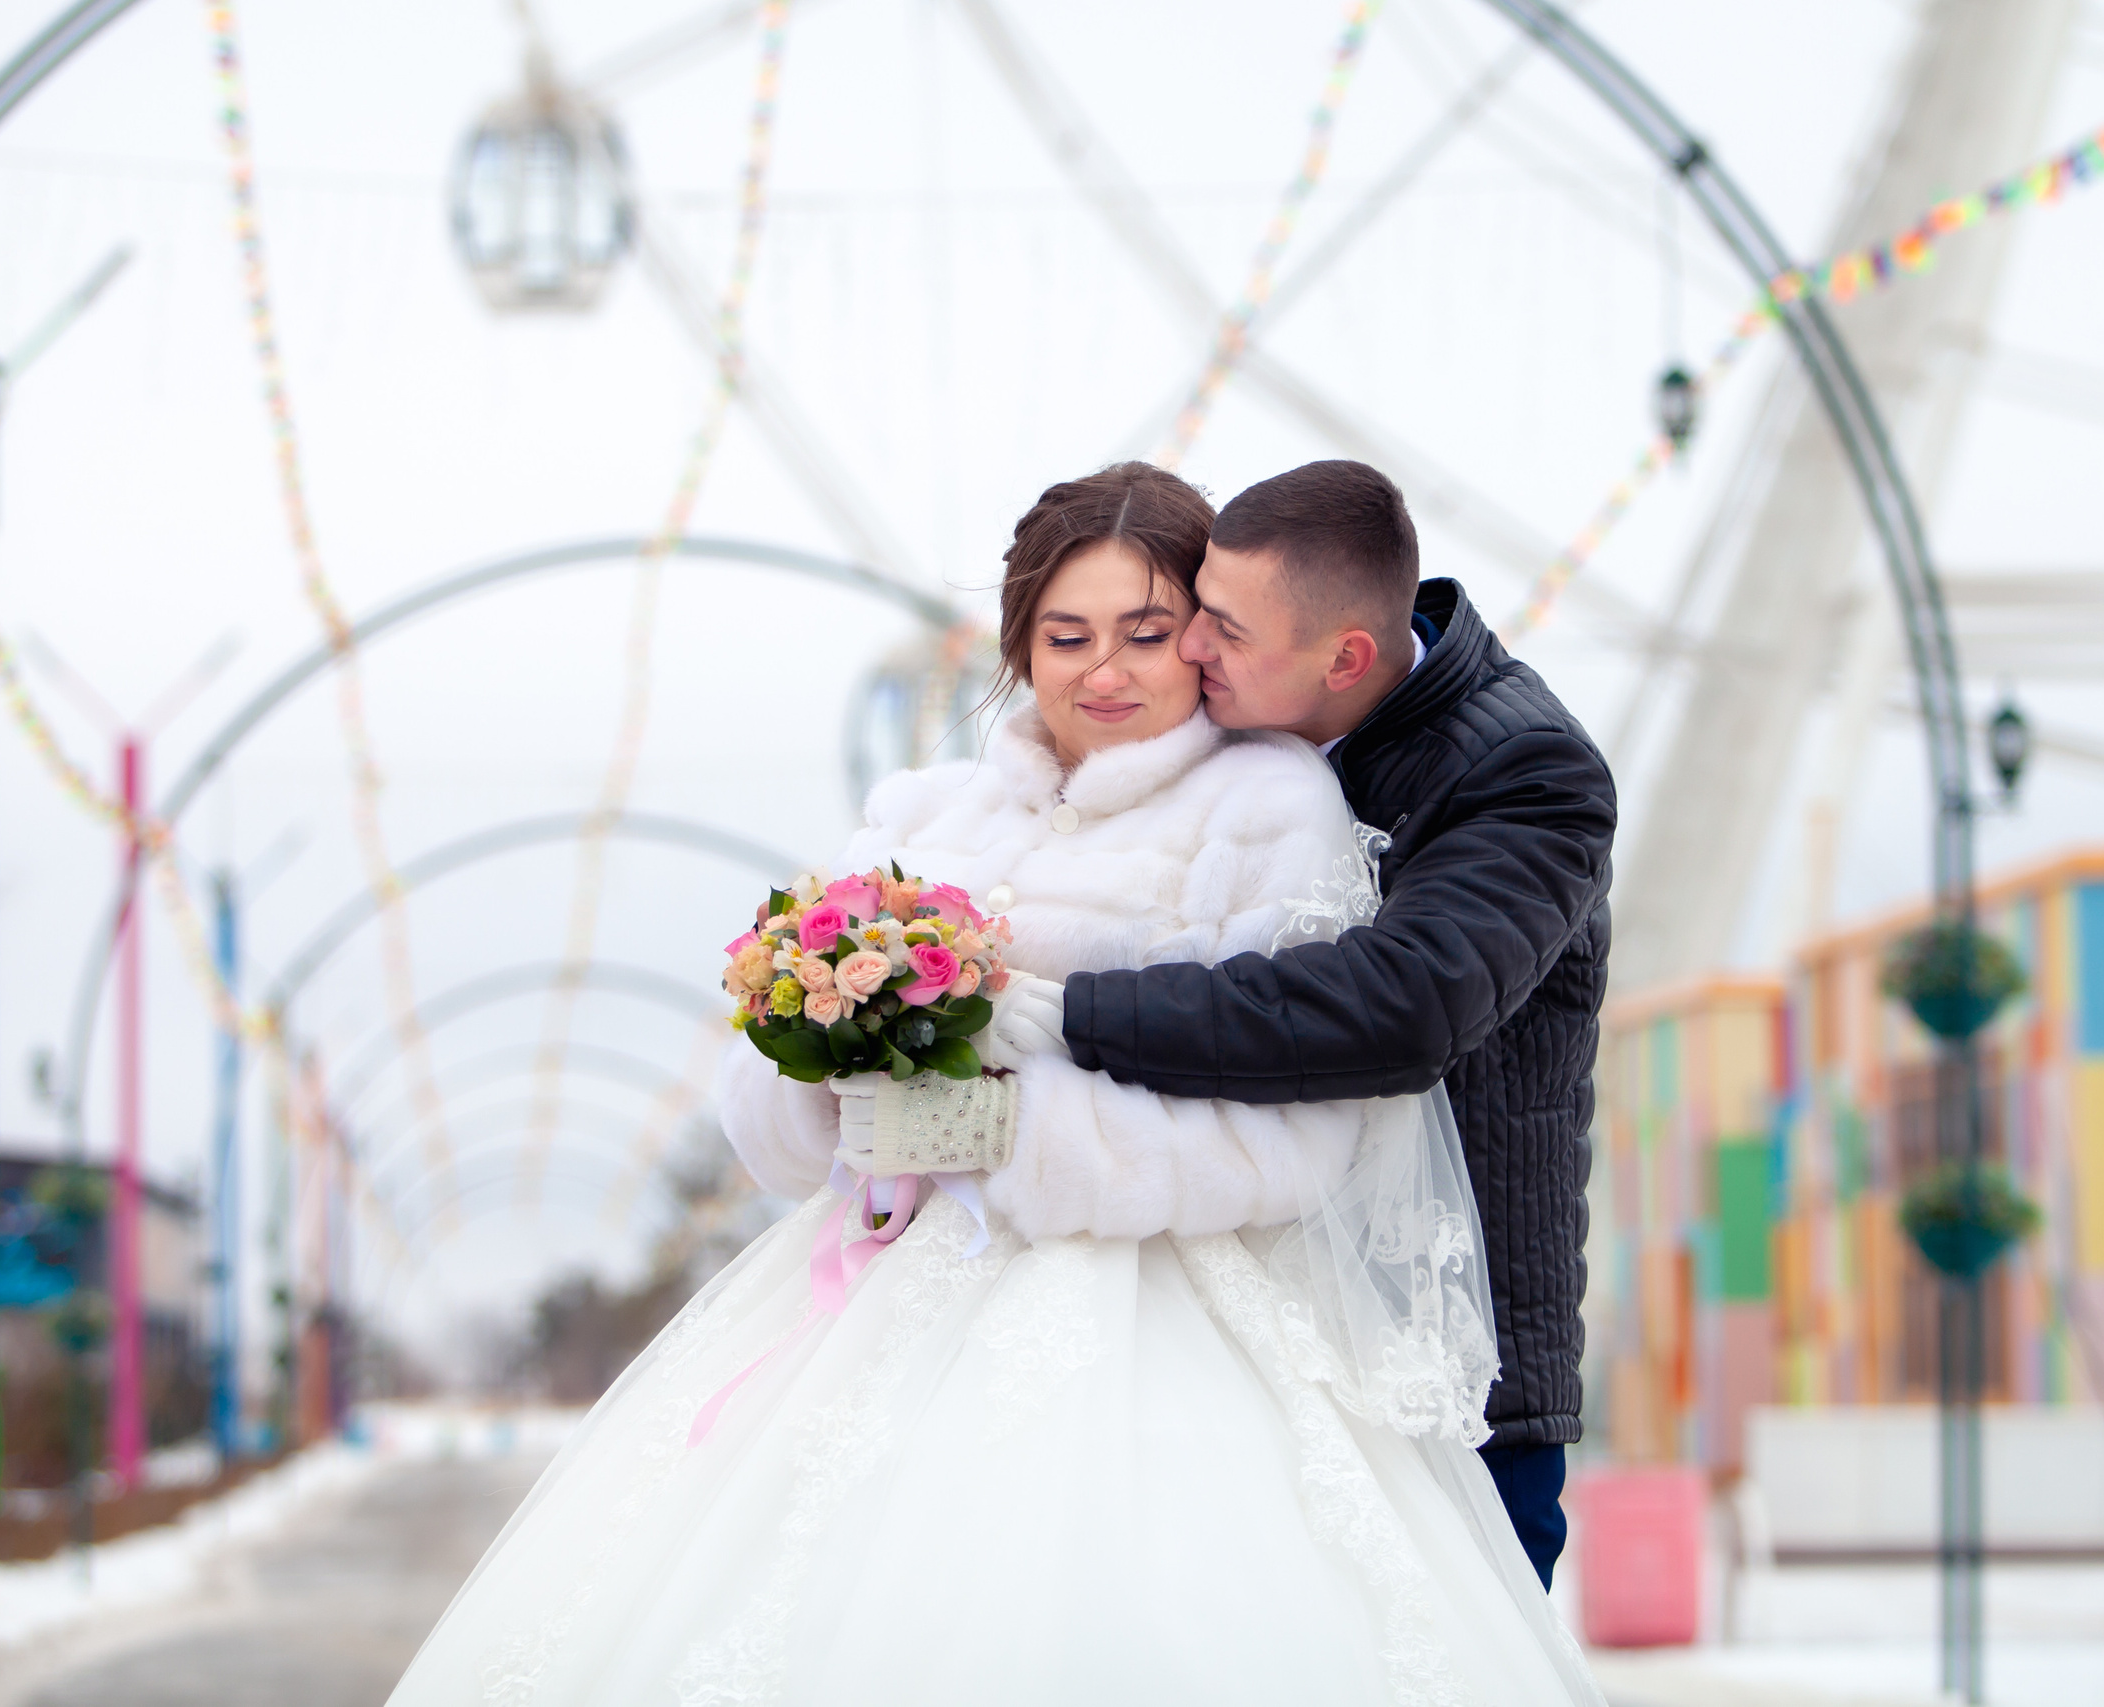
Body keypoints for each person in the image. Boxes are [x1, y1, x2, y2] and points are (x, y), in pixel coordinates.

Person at [385, 463, 1600, 1707]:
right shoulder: (927, 815)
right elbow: (777, 1095)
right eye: (1067, 635)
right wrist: (833, 1073)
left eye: (1162, 631)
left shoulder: (1320, 796)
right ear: (1018, 643)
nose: (1115, 669)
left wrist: (1015, 1103)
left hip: (1297, 1328)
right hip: (899, 1316)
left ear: (1325, 656)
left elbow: (1361, 1045)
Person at [1013, 459, 1618, 1587]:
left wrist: (1069, 1014)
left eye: (1221, 631)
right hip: (1253, 1349)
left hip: (1444, 1360)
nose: (1191, 652)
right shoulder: (1254, 739)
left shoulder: (1524, 773)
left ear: (1343, 657)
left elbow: (1402, 1005)